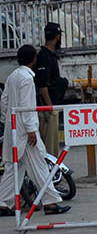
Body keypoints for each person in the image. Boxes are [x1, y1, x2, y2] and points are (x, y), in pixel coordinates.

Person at [0, 45, 70, 217]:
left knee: (13, 167)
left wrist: (7, 121)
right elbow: (27, 107)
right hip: (25, 131)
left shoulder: (13, 77)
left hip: (13, 128)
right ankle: (50, 203)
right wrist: (31, 129)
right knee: (38, 164)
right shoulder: (26, 79)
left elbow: (4, 102)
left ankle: (3, 204)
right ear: (33, 59)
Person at [34, 23, 69, 156]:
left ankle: (53, 173)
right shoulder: (44, 56)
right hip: (47, 109)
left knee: (53, 148)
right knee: (49, 149)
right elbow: (42, 85)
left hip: (50, 107)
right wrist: (50, 107)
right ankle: (50, 175)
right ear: (57, 37)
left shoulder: (48, 55)